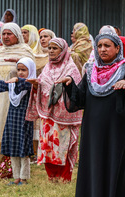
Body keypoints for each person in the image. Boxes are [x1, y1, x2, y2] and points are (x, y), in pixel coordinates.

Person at [57, 32, 125, 197]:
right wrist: (69, 84)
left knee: (115, 172)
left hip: (116, 131)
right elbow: (81, 99)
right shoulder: (91, 68)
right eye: (100, 45)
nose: (103, 49)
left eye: (108, 45)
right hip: (92, 130)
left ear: (117, 48)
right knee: (92, 171)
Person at [25, 38, 82, 183]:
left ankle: (64, 177)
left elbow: (76, 88)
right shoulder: (47, 68)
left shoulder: (71, 68)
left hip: (64, 116)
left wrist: (67, 83)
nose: (50, 51)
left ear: (62, 50)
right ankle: (51, 176)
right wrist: (36, 85)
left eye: (54, 48)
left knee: (62, 146)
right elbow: (43, 87)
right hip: (48, 115)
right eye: (49, 48)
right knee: (48, 146)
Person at [0, 23, 34, 171]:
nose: (6, 37)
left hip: (16, 101)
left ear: (17, 35)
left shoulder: (25, 52)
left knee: (13, 131)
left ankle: (15, 169)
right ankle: (0, 167)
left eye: (9, 34)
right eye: (4, 34)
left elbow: (31, 76)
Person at [0, 57, 36, 185]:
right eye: (18, 70)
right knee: (13, 148)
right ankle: (16, 177)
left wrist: (17, 79)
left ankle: (24, 177)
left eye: (24, 70)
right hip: (12, 121)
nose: (20, 72)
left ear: (30, 70)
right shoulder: (15, 83)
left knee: (23, 150)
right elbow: (7, 85)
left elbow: (26, 84)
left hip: (24, 122)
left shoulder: (31, 83)